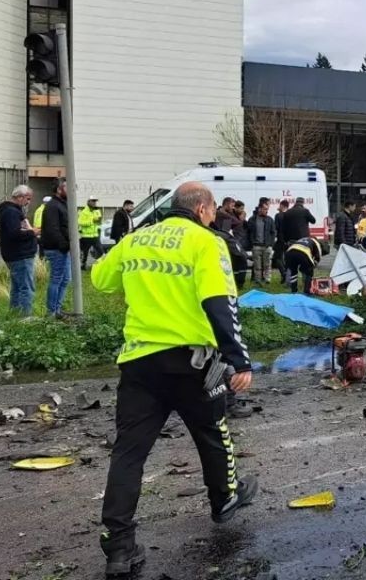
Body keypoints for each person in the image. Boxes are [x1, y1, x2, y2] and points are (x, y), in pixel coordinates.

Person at [91, 182, 256, 576]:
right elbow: (220, 303)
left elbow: (101, 279)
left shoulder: (135, 239)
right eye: (213, 209)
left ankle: (119, 546)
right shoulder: (206, 242)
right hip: (192, 365)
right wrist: (240, 359)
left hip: (140, 362)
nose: (214, 215)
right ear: (201, 209)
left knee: (128, 453)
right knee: (213, 433)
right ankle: (224, 500)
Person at [0, 186, 38, 315]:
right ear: (20, 197)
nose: (28, 202)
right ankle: (25, 316)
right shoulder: (11, 212)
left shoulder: (11, 211)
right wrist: (32, 232)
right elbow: (14, 234)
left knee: (17, 287)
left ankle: (15, 313)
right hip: (20, 254)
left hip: (16, 254)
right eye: (27, 199)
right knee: (26, 287)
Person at [39, 180, 73, 316]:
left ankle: (57, 309)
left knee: (65, 279)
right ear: (59, 189)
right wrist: (63, 244)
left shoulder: (63, 204)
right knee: (57, 279)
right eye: (67, 187)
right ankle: (51, 311)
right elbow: (53, 229)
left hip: (63, 248)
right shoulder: (53, 206)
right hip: (56, 249)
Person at [247, 198, 276, 285]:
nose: (266, 211)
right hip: (256, 245)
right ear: (259, 209)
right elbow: (249, 232)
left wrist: (270, 244)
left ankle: (267, 279)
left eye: (267, 209)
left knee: (267, 264)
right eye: (264, 209)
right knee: (257, 265)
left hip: (267, 246)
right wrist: (252, 243)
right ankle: (258, 280)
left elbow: (273, 232)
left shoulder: (270, 219)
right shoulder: (252, 219)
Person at [78, 196, 103, 270]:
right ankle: (83, 265)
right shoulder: (83, 212)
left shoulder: (97, 211)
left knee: (101, 251)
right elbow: (80, 222)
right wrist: (92, 221)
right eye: (93, 201)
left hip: (95, 235)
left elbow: (99, 221)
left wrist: (99, 223)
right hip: (86, 236)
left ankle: (100, 266)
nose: (94, 203)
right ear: (88, 202)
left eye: (95, 201)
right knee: (85, 252)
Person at [273, 199, 291, 284]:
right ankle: (287, 276)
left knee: (277, 258)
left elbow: (276, 228)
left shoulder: (278, 215)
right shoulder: (290, 215)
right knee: (287, 259)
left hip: (280, 240)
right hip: (289, 240)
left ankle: (283, 273)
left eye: (280, 205)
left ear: (282, 206)